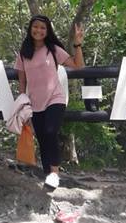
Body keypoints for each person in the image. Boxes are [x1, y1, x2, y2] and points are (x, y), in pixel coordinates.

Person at [14, 15, 84, 190]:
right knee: (42, 137)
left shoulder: (53, 50)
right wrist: (23, 102)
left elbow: (78, 65)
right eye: (36, 26)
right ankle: (48, 175)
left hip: (55, 98)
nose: (39, 30)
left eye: (43, 28)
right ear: (30, 28)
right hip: (34, 103)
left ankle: (54, 173)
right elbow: (22, 81)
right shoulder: (23, 53)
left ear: (47, 31)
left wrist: (77, 44)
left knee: (50, 131)